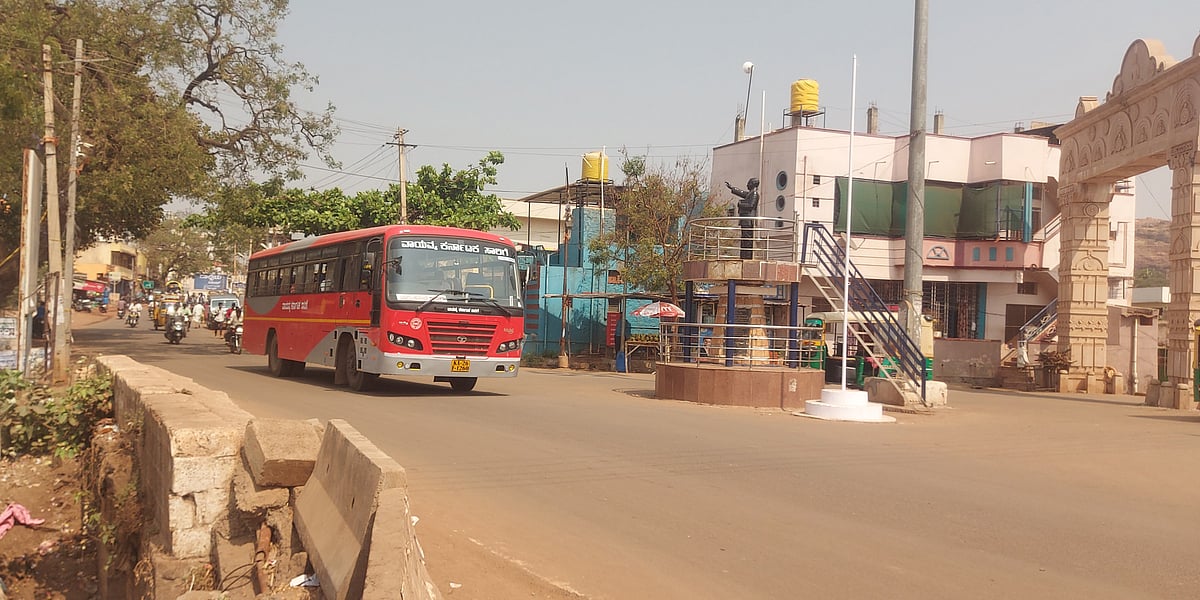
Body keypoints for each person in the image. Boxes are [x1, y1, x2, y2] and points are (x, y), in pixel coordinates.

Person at [725, 178, 759, 259]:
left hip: (748, 220)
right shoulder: (750, 193)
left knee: (747, 240)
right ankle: (744, 256)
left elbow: (751, 205)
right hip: (745, 220)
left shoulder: (754, 194)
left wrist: (740, 204)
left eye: (749, 183)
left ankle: (746, 257)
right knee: (744, 239)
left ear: (753, 184)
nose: (747, 185)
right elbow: (742, 193)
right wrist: (732, 188)